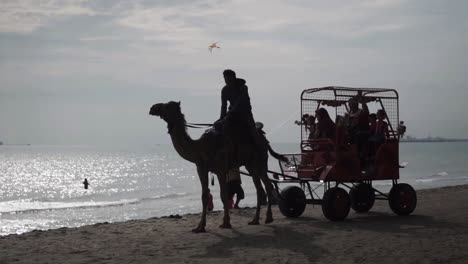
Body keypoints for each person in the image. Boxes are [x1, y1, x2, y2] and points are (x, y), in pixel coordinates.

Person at [218, 69, 261, 148]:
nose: (227, 81)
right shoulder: (224, 90)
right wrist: (221, 118)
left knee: (253, 131)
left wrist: (229, 113)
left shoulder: (243, 87)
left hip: (245, 113)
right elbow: (223, 106)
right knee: (219, 127)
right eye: (225, 79)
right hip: (231, 114)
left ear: (234, 78)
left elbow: (239, 102)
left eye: (228, 79)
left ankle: (260, 148)